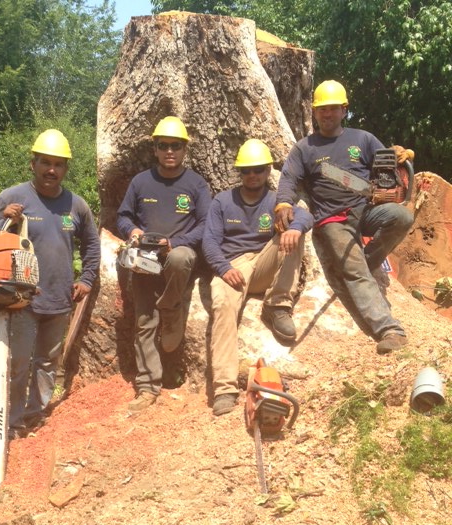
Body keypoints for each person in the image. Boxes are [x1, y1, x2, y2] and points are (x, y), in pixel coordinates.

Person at [275, 80, 414, 354]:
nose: (327, 114)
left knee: (402, 217)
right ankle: (389, 330)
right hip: (333, 219)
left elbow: (386, 166)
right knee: (355, 271)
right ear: (314, 112)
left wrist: (398, 156)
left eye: (333, 108)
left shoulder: (362, 139)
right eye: (322, 109)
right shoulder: (305, 148)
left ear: (344, 109)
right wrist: (282, 204)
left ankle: (369, 260)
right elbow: (288, 178)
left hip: (367, 209)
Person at [0, 129, 101, 437]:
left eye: (58, 164)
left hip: (59, 297)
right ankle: (11, 420)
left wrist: (87, 279)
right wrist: (4, 218)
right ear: (33, 164)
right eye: (46, 162)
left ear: (66, 169)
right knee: (18, 362)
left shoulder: (76, 206)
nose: (51, 170)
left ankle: (35, 414)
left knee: (48, 362)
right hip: (20, 298)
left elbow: (92, 244)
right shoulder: (14, 197)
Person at [202, 139, 312, 416]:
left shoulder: (276, 201)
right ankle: (224, 389)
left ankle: (277, 305)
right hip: (233, 266)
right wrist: (223, 268)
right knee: (223, 306)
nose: (252, 175)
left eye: (258, 170)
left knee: (293, 234)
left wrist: (294, 227)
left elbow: (304, 216)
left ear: (268, 170)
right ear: (239, 172)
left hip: (264, 261)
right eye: (246, 170)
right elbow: (209, 242)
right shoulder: (222, 201)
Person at [116, 116, 212, 415]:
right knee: (145, 321)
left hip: (177, 259)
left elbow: (206, 224)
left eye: (176, 145)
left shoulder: (196, 184)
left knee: (180, 256)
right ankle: (147, 387)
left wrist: (175, 242)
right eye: (164, 145)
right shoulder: (141, 182)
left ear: (185, 149)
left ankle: (170, 308)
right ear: (155, 149)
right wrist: (133, 231)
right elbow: (123, 216)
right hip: (146, 260)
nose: (170, 151)